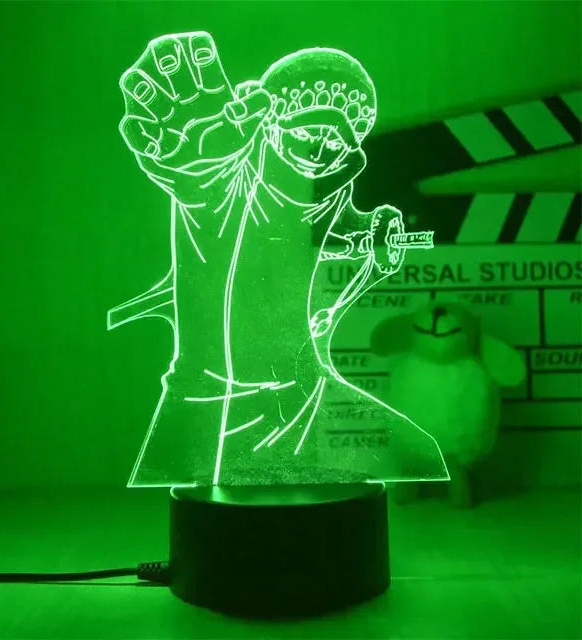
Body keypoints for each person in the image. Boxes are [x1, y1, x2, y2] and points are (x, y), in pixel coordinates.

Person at [114, 31, 447, 486]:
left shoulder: (331, 184)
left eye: (335, 143)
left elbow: (335, 223)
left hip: (305, 390)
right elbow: (197, 176)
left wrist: (374, 228)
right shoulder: (228, 173)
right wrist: (187, 161)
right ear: (272, 125)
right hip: (211, 404)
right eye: (307, 133)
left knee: (418, 455)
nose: (319, 151)